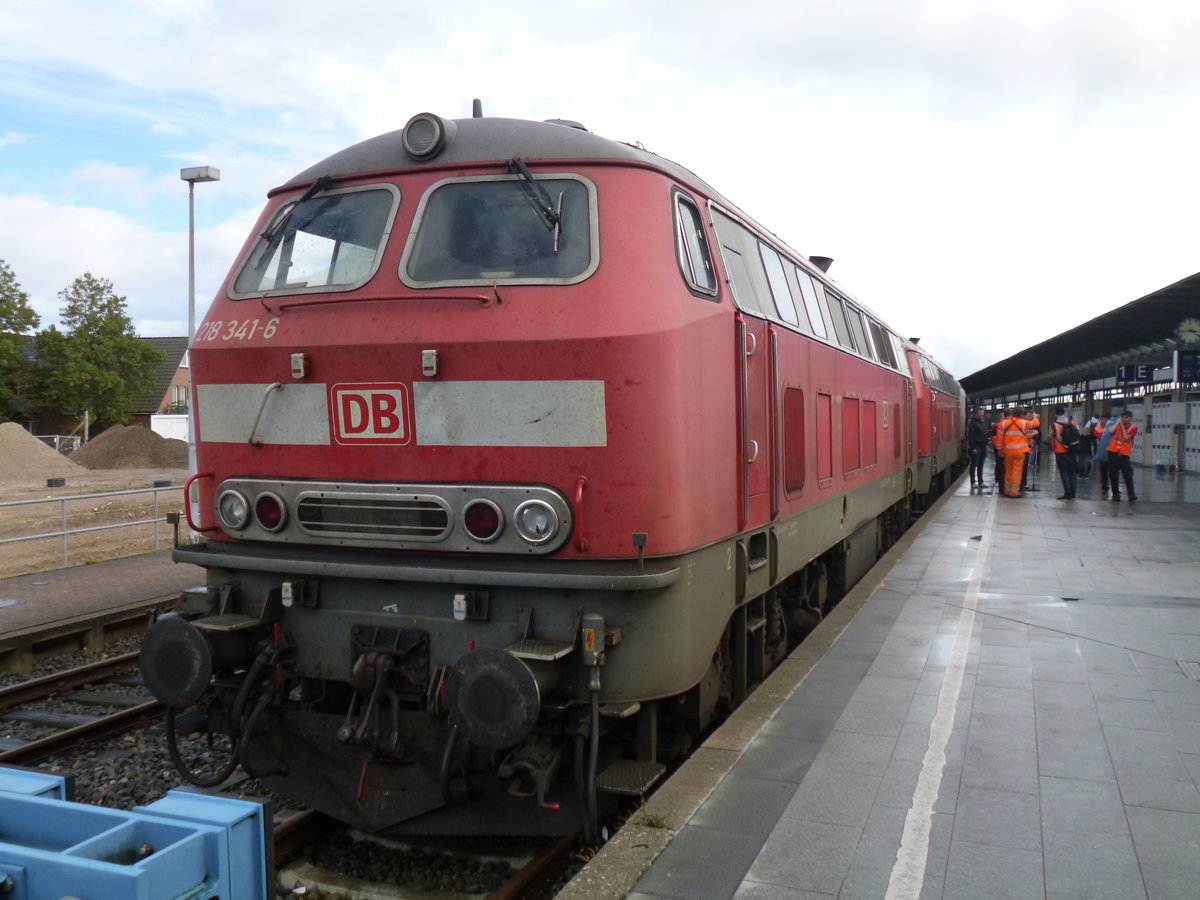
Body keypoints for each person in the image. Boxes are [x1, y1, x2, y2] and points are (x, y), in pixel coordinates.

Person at [1107, 410, 1139, 501]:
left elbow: (1126, 436)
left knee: (1127, 474)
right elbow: (1110, 430)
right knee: (1113, 474)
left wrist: (1121, 426)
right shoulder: (1118, 425)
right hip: (1113, 452)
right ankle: (1115, 494)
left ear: (1131, 418)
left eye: (1126, 417)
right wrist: (1117, 423)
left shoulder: (1134, 427)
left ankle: (1131, 495)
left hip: (1124, 454)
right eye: (1123, 417)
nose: (1124, 419)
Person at [998, 408, 1029, 497]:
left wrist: (1000, 449)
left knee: (1008, 471)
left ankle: (1007, 490)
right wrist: (1035, 417)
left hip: (1008, 452)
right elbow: (1036, 423)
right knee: (1016, 472)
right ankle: (1013, 492)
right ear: (1021, 414)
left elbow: (1000, 437)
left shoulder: (1004, 423)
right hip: (1019, 452)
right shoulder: (1023, 422)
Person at [1050, 406, 1078, 500]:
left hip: (1060, 451)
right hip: (1072, 450)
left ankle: (1067, 494)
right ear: (1064, 413)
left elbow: (1050, 436)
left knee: (1064, 472)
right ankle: (1073, 494)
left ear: (1056, 414)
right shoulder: (1072, 423)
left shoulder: (1054, 425)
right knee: (1073, 473)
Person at [967, 407, 990, 487]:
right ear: (976, 414)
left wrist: (986, 443)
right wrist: (973, 447)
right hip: (976, 447)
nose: (982, 414)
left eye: (982, 413)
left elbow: (985, 433)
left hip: (983, 446)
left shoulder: (983, 423)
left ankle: (981, 481)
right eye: (980, 413)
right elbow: (971, 436)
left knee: (981, 465)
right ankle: (973, 482)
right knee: (974, 464)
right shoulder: (973, 423)